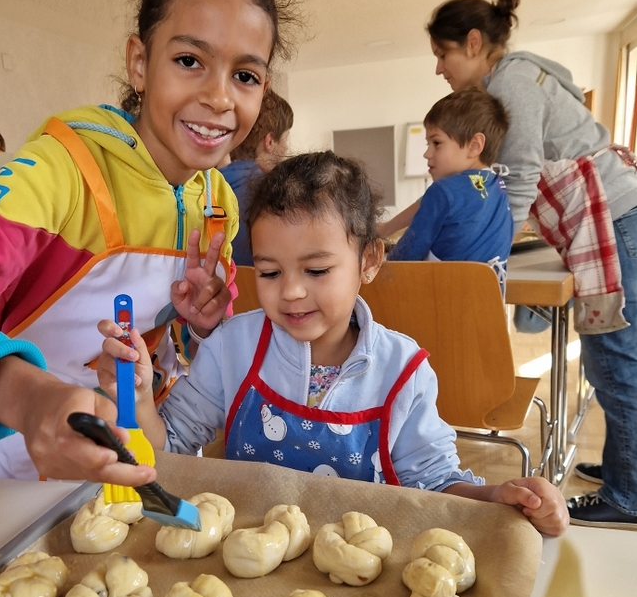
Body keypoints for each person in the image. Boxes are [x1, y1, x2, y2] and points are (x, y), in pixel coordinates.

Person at [0, 0, 295, 486]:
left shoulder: (218, 202)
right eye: (189, 61)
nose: (220, 98)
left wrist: (203, 325)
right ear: (139, 63)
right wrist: (27, 398)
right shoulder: (61, 172)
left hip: (159, 454)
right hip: (39, 474)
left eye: (245, 75)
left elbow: (196, 354)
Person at [98, 151, 568, 537]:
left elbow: (435, 484)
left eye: (317, 270)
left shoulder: (402, 371)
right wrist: (138, 399)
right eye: (270, 272)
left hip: (359, 574)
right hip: (249, 557)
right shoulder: (233, 346)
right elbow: (170, 449)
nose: (291, 291)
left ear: (369, 261)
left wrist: (495, 496)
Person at [427, 0, 637, 528]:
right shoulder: (519, 77)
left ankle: (628, 494)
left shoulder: (513, 82)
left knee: (616, 359)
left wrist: (489, 263)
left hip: (616, 219)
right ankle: (627, 471)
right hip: (616, 217)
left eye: (443, 54)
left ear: (474, 43)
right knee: (614, 358)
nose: (439, 69)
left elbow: (516, 180)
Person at [386, 89, 513, 292]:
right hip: (490, 307)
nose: (427, 153)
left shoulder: (442, 191)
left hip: (441, 305)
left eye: (436, 143)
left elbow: (404, 257)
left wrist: (381, 263)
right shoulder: (499, 187)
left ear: (474, 146)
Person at [218, 89, 293, 265]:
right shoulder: (276, 194)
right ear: (270, 141)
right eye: (286, 138)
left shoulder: (203, 187)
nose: (287, 148)